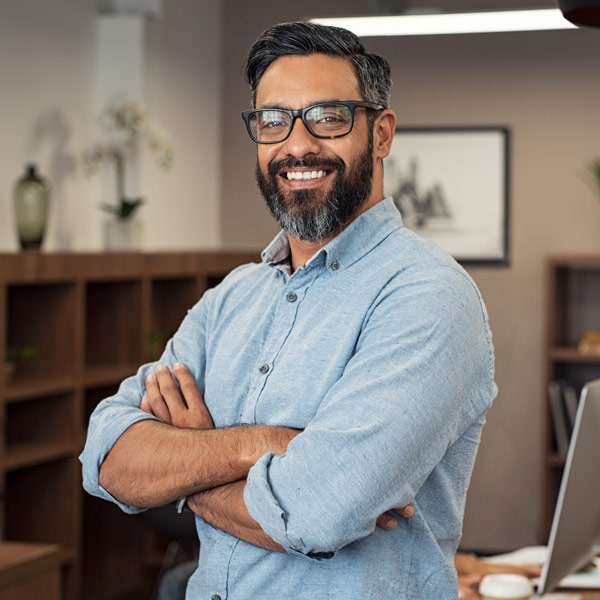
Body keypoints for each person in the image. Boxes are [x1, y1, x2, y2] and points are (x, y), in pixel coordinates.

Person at [80, 21, 497, 599]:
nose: (297, 145)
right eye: (273, 120)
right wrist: (267, 443)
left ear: (381, 133)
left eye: (328, 117)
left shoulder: (427, 297)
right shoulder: (230, 298)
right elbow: (106, 458)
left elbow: (314, 515)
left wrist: (183, 464)